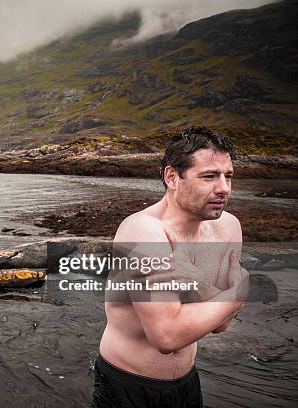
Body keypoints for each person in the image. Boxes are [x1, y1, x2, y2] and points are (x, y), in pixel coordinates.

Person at [92, 126, 250, 408]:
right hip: (128, 386)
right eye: (209, 176)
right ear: (172, 177)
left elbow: (222, 324)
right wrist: (238, 294)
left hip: (187, 383)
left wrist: (198, 281)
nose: (223, 188)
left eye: (228, 176)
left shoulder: (228, 227)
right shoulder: (143, 232)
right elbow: (167, 336)